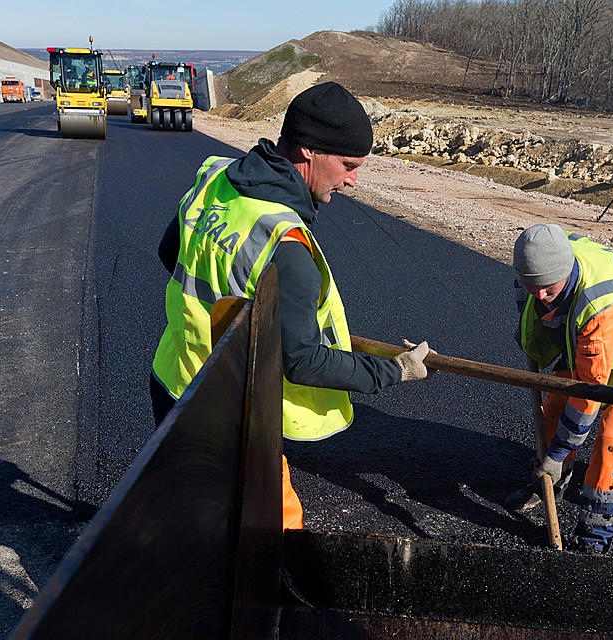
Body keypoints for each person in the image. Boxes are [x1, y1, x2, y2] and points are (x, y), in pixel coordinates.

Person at [150, 81, 434, 530]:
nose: (353, 180)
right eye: (347, 165)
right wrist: (394, 370)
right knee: (273, 537)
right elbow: (301, 361)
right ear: (308, 152)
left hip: (172, 379)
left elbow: (172, 253)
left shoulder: (217, 179)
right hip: (228, 414)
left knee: (192, 513)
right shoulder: (286, 244)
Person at [506, 223, 613, 552]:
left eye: (547, 288)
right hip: (585, 339)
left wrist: (555, 452)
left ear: (565, 272)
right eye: (532, 286)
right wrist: (529, 330)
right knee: (555, 401)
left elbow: (589, 394)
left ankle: (597, 531)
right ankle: (551, 482)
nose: (539, 295)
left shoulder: (600, 304)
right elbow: (531, 298)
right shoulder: (537, 261)